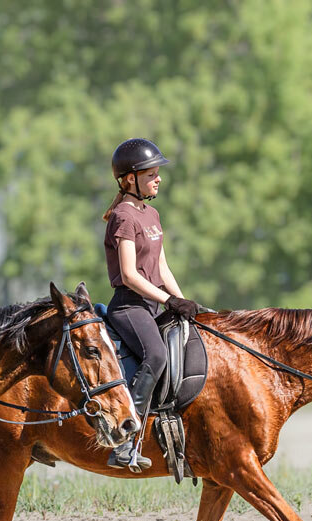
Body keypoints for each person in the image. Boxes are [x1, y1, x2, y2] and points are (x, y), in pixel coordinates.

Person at [102, 138, 201, 470]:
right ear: (130, 179)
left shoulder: (152, 213)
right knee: (156, 354)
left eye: (158, 173)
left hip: (152, 305)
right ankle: (125, 443)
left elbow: (161, 267)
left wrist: (184, 302)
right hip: (130, 307)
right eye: (151, 174)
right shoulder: (123, 217)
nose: (158, 179)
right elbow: (129, 275)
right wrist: (168, 300)